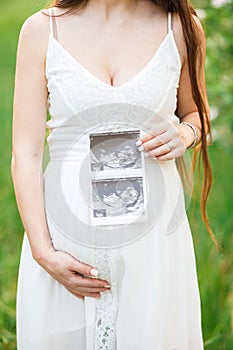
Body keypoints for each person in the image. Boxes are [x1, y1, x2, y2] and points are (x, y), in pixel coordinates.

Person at [11, 0, 214, 349]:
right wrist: (43, 252)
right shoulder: (42, 30)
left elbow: (198, 116)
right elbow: (24, 154)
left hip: (153, 246)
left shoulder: (180, 26)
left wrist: (184, 134)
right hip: (65, 245)